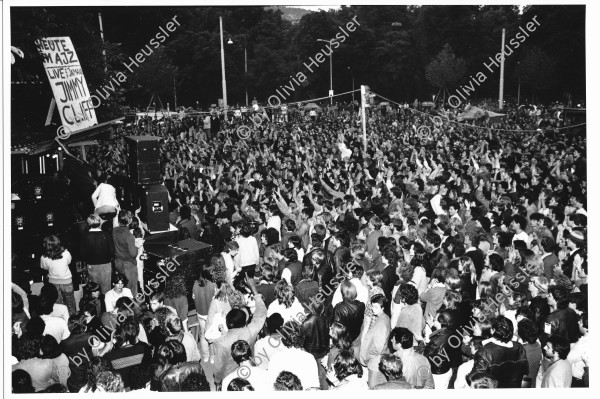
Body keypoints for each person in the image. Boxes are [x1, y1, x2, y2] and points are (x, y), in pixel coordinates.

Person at [213, 277, 267, 389]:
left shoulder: (221, 342)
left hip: (230, 376)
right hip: (249, 368)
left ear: (228, 324)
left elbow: (219, 366)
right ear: (244, 321)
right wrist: (253, 288)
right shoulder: (250, 330)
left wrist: (218, 381)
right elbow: (261, 312)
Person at [470, 315, 529, 388]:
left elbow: (476, 380)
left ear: (492, 330)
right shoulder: (519, 347)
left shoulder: (484, 351)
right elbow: (525, 373)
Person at [269, 320, 320, 390]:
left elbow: (272, 386)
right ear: (302, 337)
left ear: (282, 338)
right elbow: (314, 387)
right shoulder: (309, 358)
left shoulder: (275, 358)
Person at [359, 293, 391, 388]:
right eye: (372, 306)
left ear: (383, 308)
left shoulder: (381, 323)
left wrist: (368, 355)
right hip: (376, 358)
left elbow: (379, 348)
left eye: (376, 307)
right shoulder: (385, 317)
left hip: (374, 360)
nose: (373, 309)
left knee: (372, 386)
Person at [40, 235, 76, 315]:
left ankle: (60, 320)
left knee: (57, 304)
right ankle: (74, 322)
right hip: (67, 281)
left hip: (53, 283)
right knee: (70, 304)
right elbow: (69, 262)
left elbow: (45, 268)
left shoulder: (43, 257)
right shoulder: (66, 253)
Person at [80, 213, 115, 294]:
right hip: (106, 265)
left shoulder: (85, 236)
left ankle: (96, 306)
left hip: (92, 265)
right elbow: (112, 252)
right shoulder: (106, 235)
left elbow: (82, 254)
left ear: (88, 223)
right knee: (106, 291)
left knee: (94, 290)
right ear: (99, 222)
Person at [112, 210, 139, 296]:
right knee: (131, 290)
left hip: (118, 262)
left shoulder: (114, 230)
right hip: (128, 264)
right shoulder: (129, 236)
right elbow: (133, 254)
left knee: (122, 287)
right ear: (130, 221)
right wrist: (137, 245)